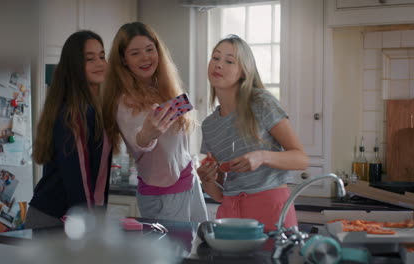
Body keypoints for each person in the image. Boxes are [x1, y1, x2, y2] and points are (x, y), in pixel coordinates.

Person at [197, 35, 309, 231]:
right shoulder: (209, 125)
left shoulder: (261, 102)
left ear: (243, 72)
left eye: (229, 61)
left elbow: (301, 159)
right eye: (215, 58)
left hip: (271, 209)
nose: (219, 65)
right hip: (230, 215)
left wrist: (262, 156)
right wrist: (207, 179)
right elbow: (219, 194)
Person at [103, 22, 208, 222]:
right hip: (164, 192)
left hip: (188, 182)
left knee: (196, 248)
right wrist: (147, 134)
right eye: (135, 53)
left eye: (150, 50)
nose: (146, 57)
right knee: (174, 252)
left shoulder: (164, 88)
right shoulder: (124, 100)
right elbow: (138, 141)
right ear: (123, 60)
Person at [26, 30, 111, 229]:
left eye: (102, 56)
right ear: (74, 66)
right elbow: (77, 175)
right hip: (55, 218)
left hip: (70, 216)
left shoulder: (94, 107)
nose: (100, 63)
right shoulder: (74, 112)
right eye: (90, 59)